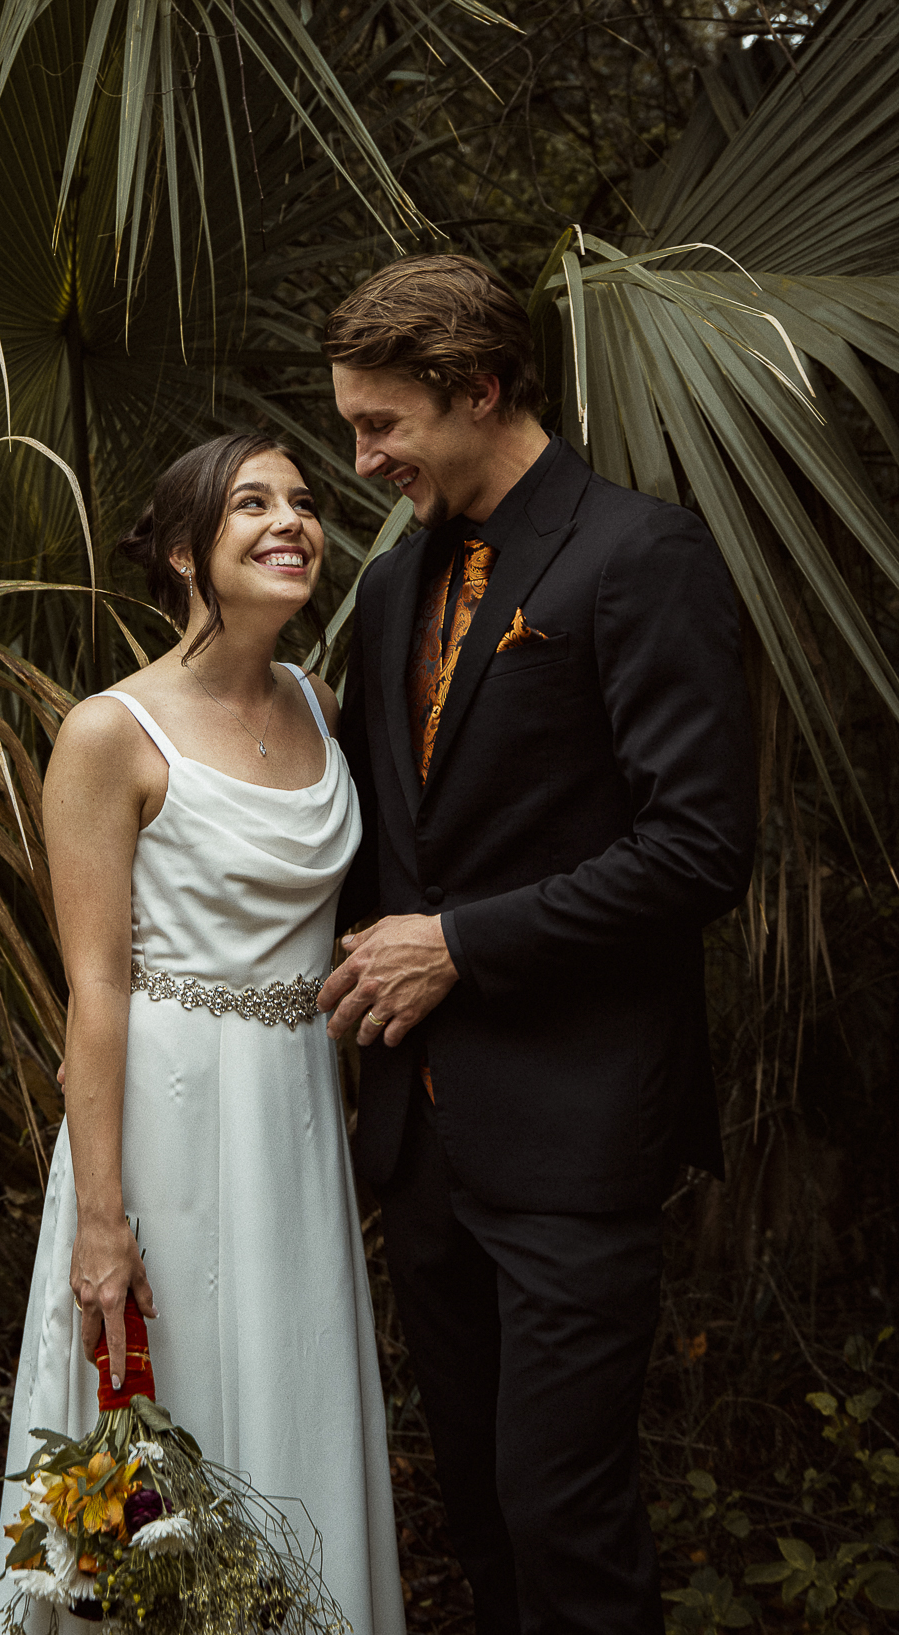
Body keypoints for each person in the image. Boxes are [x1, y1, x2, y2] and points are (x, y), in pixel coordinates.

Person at [316, 254, 756, 1635]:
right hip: (419, 1142)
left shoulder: (640, 554)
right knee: (481, 1514)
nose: (362, 458)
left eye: (381, 425)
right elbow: (376, 838)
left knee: (563, 1513)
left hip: (575, 1131)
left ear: (479, 390)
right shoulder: (389, 595)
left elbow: (698, 846)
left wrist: (461, 942)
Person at [0, 433, 406, 1635]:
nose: (292, 522)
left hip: (290, 1122)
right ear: (182, 553)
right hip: (162, 1128)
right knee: (159, 1446)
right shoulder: (109, 735)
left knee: (294, 1394)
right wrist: (103, 1220)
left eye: (305, 503)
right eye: (252, 505)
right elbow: (96, 990)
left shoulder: (320, 711)